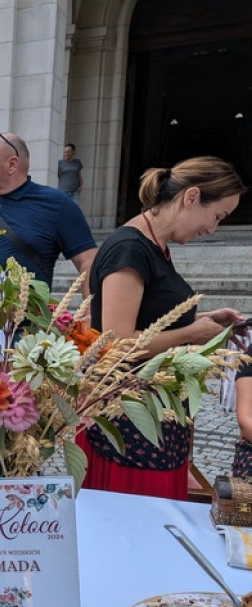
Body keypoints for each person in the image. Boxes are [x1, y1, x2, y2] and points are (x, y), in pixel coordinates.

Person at [79, 156, 246, 500]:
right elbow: (117, 342)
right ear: (191, 197)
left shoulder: (155, 247)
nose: (213, 229)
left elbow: (151, 320)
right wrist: (188, 335)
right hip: (128, 424)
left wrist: (202, 321)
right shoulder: (130, 248)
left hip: (151, 420)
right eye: (217, 216)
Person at [0, 131, 97, 289]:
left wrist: (89, 309)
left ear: (12, 164)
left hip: (24, 312)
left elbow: (88, 260)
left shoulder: (57, 205)